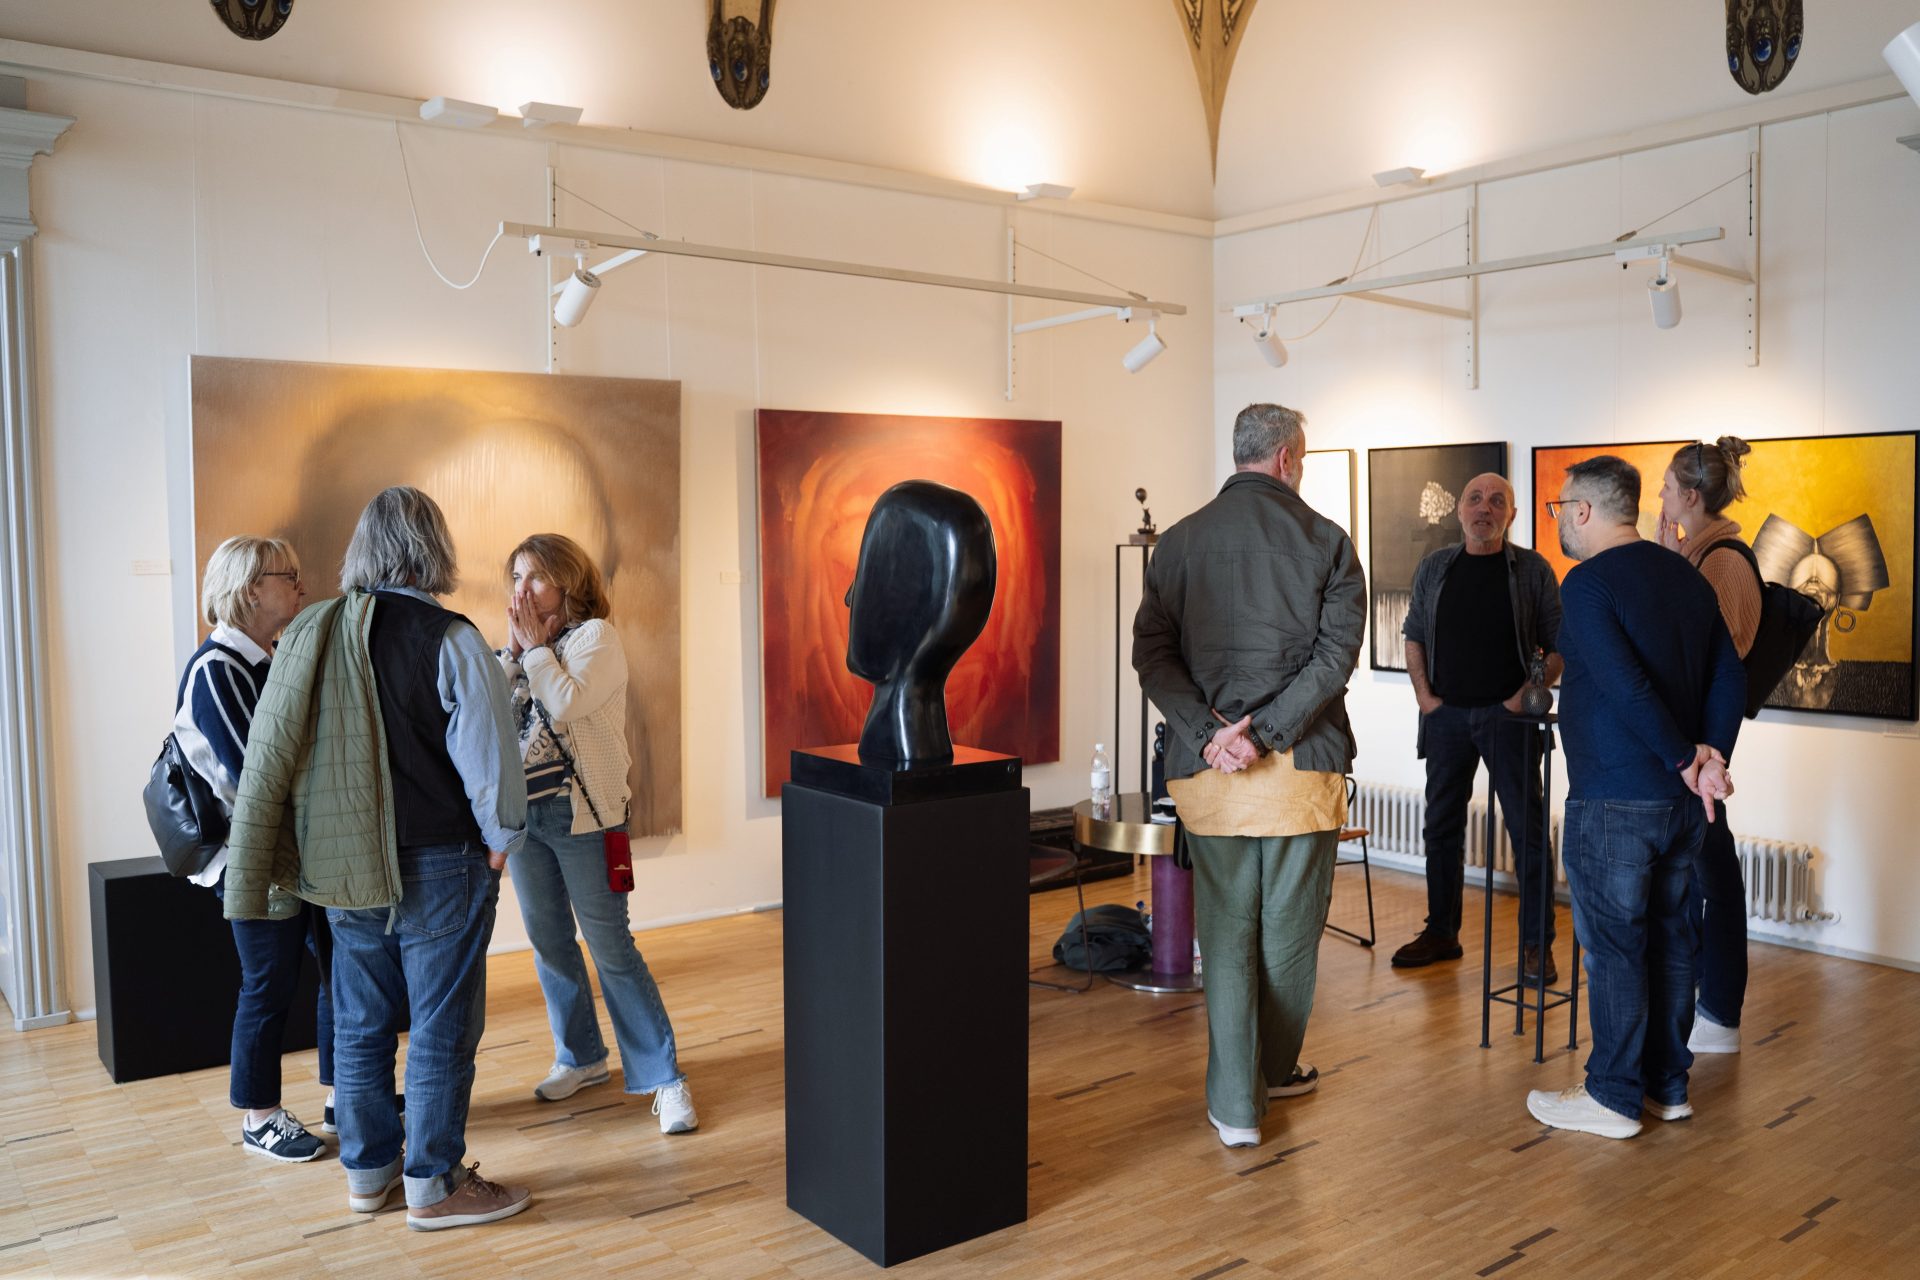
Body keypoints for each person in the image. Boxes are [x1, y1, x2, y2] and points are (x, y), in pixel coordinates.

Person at [224, 486, 532, 1229]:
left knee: (360, 1023)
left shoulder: (317, 631)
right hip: (443, 863)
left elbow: (282, 745)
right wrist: (501, 847)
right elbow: (490, 766)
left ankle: (369, 1174)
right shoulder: (451, 639)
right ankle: (435, 1184)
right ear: (433, 549)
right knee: (440, 1025)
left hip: (346, 865)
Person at [1133, 403, 1367, 1150]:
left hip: (1209, 774)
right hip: (1301, 768)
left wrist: (1211, 736)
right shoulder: (1328, 541)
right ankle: (1274, 1072)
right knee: (1290, 936)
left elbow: (1152, 655)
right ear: (1289, 458)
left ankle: (1236, 1106)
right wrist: (1263, 734)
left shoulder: (1178, 541)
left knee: (1227, 932)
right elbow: (1334, 660)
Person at [1528, 456, 1743, 1140]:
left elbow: (1625, 685)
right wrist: (1709, 757)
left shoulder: (1588, 582)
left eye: (1560, 508)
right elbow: (1729, 676)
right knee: (1672, 939)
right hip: (1682, 806)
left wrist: (1686, 757)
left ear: (1584, 511)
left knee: (1616, 948)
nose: (1559, 519)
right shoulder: (1685, 575)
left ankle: (1613, 1096)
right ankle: (1666, 1087)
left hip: (1614, 800)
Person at [497, 533, 696, 1133]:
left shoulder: (595, 638)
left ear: (567, 581)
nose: (522, 590)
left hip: (584, 814)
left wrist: (534, 652)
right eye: (516, 578)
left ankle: (665, 1078)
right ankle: (581, 1056)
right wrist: (511, 656)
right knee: (550, 942)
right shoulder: (528, 647)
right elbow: (497, 723)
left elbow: (566, 704)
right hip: (528, 817)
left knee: (610, 947)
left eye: (534, 576)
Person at [175, 535, 328, 1163]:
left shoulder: (266, 660)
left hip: (293, 846)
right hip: (254, 857)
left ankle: (345, 1093)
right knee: (268, 983)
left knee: (337, 968)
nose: (300, 586)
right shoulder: (218, 669)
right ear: (247, 589)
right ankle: (259, 1117)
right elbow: (257, 772)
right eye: (286, 576)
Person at [1393, 474, 1565, 985]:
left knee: (1528, 831)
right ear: (1459, 511)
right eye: (1474, 499)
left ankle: (1536, 946)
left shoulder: (1532, 570)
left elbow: (1560, 646)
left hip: (1509, 719)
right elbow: (1414, 635)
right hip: (1446, 717)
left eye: (1496, 501)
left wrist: (1521, 696)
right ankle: (1441, 932)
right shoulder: (1435, 567)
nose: (1483, 508)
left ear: (1511, 514)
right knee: (1440, 827)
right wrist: (1425, 697)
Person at [1658, 438, 1758, 1055]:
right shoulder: (1699, 555)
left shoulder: (1723, 563)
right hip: (1694, 738)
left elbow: (1715, 656)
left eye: (1669, 488)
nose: (1661, 497)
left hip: (1704, 741)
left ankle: (1719, 1011)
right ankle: (1709, 1004)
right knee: (1701, 868)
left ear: (1691, 496)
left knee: (1713, 871)